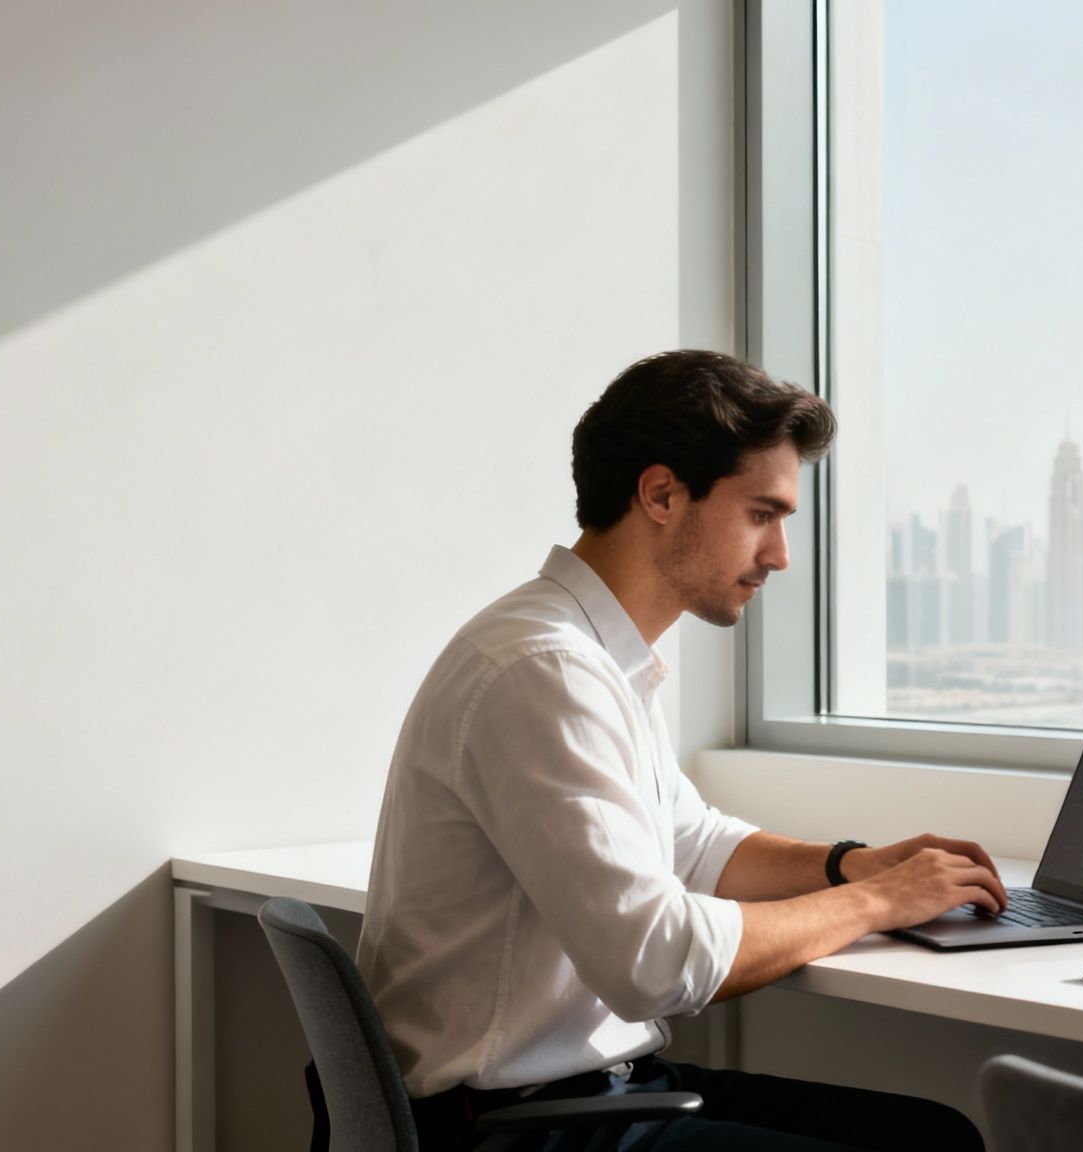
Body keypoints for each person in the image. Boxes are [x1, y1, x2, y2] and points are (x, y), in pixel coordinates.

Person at [354, 350, 1003, 1150]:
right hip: (520, 1129)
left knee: (933, 1135)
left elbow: (690, 844)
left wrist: (851, 865)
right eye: (762, 515)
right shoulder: (546, 669)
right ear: (662, 494)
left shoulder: (591, 654)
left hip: (578, 1094)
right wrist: (880, 903)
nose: (779, 556)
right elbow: (656, 962)